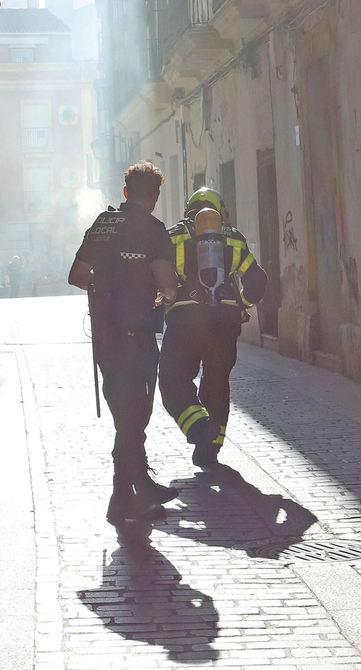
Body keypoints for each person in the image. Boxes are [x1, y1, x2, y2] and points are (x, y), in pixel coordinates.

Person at [69, 161, 182, 525]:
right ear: (155, 196)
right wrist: (165, 295)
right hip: (137, 334)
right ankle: (124, 496)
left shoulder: (102, 224)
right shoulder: (152, 229)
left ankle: (139, 482)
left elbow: (77, 276)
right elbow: (166, 281)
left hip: (105, 334)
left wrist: (107, 294)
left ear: (125, 192)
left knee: (123, 409)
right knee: (136, 412)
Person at [158, 187, 268, 470]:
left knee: (172, 380)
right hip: (225, 323)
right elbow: (257, 280)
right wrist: (241, 304)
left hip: (184, 321)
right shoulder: (234, 238)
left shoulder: (173, 236)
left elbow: (157, 276)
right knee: (217, 383)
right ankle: (210, 450)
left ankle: (199, 427)